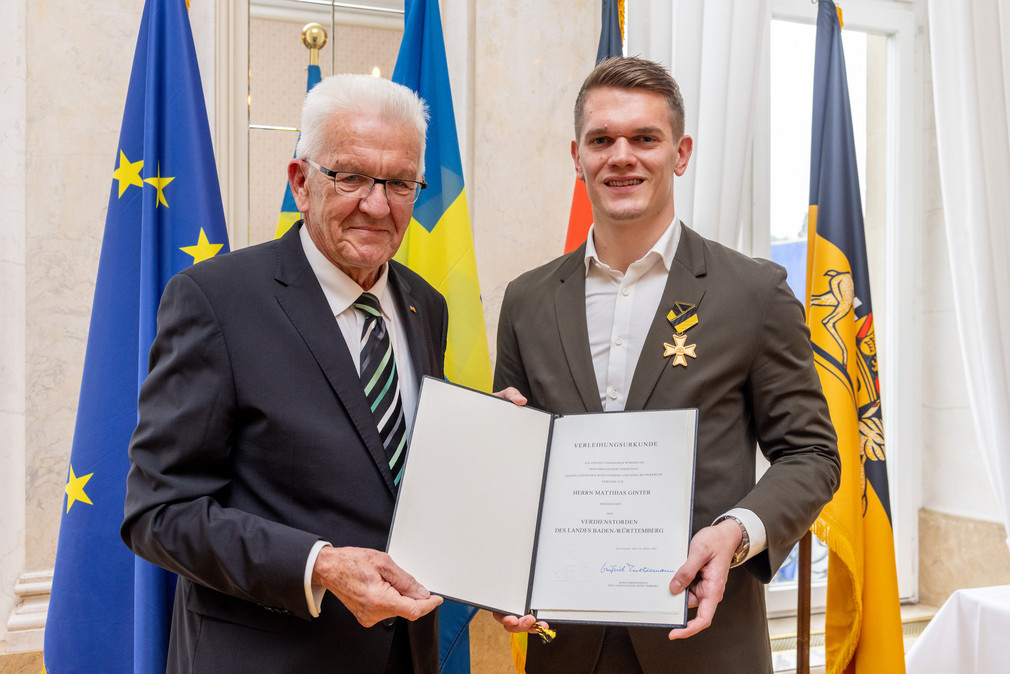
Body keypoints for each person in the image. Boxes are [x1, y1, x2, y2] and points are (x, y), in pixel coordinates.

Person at [493, 56, 841, 673]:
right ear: (577, 156)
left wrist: (736, 531)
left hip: (707, 641)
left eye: (644, 139)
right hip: (565, 647)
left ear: (679, 153)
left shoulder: (754, 292)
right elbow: (516, 471)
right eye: (602, 140)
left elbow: (812, 455)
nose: (621, 155)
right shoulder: (526, 299)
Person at [122, 73, 446, 673]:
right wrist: (318, 564)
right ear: (301, 181)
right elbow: (158, 513)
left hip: (405, 655)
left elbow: (393, 472)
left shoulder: (426, 305)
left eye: (400, 182)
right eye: (350, 177)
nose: (377, 205)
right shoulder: (215, 300)